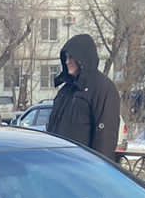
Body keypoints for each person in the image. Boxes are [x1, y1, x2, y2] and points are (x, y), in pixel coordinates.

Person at [45, 34, 121, 162]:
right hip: (58, 163)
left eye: (71, 58)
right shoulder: (66, 90)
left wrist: (98, 169)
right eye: (66, 58)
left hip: (81, 166)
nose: (67, 62)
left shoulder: (102, 88)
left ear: (82, 59)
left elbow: (105, 137)